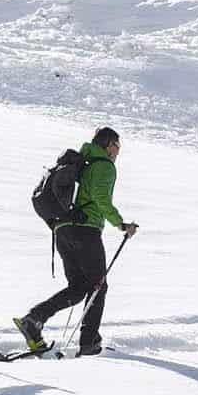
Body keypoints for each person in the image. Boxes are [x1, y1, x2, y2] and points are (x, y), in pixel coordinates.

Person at [14, 126, 137, 357]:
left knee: (79, 288)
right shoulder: (104, 166)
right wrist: (121, 224)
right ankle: (89, 343)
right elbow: (101, 198)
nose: (118, 151)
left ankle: (34, 319)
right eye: (117, 146)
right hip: (85, 231)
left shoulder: (83, 164)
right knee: (98, 286)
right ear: (109, 145)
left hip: (63, 229)